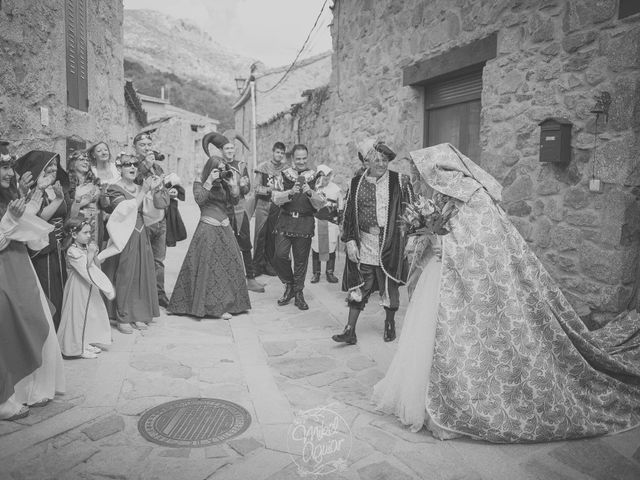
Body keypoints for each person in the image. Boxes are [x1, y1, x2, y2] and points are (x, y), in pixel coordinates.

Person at [373, 143, 640, 443]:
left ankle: (463, 402)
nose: (418, 179)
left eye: (422, 172)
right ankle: (426, 399)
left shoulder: (475, 197)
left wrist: (445, 245)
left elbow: (484, 242)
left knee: (466, 345)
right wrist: (424, 241)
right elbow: (441, 232)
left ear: (441, 169)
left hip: (471, 285)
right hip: (442, 277)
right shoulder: (440, 196)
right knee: (432, 341)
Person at [0, 142, 65, 421]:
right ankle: (8, 397)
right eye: (3, 166)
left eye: (8, 164)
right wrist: (11, 218)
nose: (9, 170)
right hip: (6, 270)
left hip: (19, 265)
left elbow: (29, 227)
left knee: (38, 324)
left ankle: (30, 390)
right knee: (14, 330)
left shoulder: (9, 195)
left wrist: (31, 194)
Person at [332, 139, 411, 345]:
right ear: (367, 162)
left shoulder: (400, 181)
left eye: (385, 160)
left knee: (389, 286)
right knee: (360, 284)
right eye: (377, 160)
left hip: (390, 242)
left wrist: (409, 240)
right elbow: (348, 215)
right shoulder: (355, 183)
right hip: (365, 241)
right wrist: (349, 240)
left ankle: (389, 323)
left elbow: (410, 212)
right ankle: (350, 330)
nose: (382, 164)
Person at [168, 150, 251, 319]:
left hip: (225, 227)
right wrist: (209, 181)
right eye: (217, 169)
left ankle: (230, 304)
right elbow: (200, 200)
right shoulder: (200, 182)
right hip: (207, 229)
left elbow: (234, 201)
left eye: (222, 168)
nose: (220, 172)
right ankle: (212, 307)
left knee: (229, 267)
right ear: (210, 169)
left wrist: (233, 185)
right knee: (210, 268)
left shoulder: (225, 183)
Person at [99, 150, 162, 333]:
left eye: (135, 164)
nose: (133, 167)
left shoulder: (140, 186)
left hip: (141, 231)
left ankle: (139, 313)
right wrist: (144, 191)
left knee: (142, 271)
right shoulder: (113, 189)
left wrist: (155, 190)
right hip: (124, 235)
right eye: (128, 164)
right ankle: (123, 315)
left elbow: (153, 209)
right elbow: (124, 210)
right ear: (119, 168)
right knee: (125, 273)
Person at [201, 131, 264, 293]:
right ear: (221, 150)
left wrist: (241, 186)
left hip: (239, 210)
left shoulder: (241, 166)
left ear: (234, 149)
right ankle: (228, 279)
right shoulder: (217, 165)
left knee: (245, 244)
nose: (229, 151)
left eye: (231, 148)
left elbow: (247, 188)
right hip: (221, 211)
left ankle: (250, 278)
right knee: (224, 245)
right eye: (226, 148)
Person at [14, 150, 70, 331]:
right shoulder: (32, 191)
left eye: (55, 164)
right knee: (48, 290)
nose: (54, 168)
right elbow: (38, 218)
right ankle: (50, 334)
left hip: (58, 246)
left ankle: (62, 335)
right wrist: (58, 199)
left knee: (60, 288)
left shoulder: (54, 188)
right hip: (42, 249)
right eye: (49, 165)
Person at [271, 144, 325, 310]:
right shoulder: (283, 175)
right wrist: (290, 193)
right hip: (286, 220)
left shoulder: (316, 176)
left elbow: (321, 203)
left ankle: (298, 293)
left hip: (305, 222)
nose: (301, 162)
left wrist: (310, 192)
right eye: (298, 158)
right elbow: (275, 197)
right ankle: (290, 283)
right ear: (292, 159)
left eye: (304, 158)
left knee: (301, 261)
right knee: (279, 255)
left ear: (307, 157)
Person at [57, 218, 113, 359]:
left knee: (89, 314)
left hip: (89, 286)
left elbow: (96, 268)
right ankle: (75, 348)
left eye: (90, 232)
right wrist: (90, 254)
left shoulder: (85, 248)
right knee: (77, 316)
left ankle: (85, 341)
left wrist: (93, 255)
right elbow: (85, 270)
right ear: (74, 235)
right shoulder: (72, 251)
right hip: (78, 287)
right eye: (85, 232)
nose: (89, 235)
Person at [132, 132, 171, 307]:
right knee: (141, 260)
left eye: (149, 144)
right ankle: (143, 296)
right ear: (135, 147)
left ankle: (159, 294)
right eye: (143, 145)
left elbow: (161, 186)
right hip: (143, 219)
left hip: (160, 219)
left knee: (159, 261)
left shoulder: (158, 167)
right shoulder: (132, 165)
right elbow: (134, 183)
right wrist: (146, 167)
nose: (147, 148)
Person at [253, 141, 288, 277]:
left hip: (277, 206)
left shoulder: (286, 170)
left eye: (281, 153)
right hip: (263, 205)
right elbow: (256, 188)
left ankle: (269, 264)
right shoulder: (263, 167)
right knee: (260, 235)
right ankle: (256, 265)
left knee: (273, 236)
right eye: (277, 152)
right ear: (273, 152)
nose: (279, 155)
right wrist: (269, 189)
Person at [310, 164, 343, 284]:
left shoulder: (336, 189)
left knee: (331, 247)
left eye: (327, 176)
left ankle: (330, 272)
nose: (326, 179)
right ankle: (316, 273)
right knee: (316, 247)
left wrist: (340, 220)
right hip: (317, 221)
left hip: (331, 223)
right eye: (323, 176)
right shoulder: (314, 188)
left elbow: (340, 206)